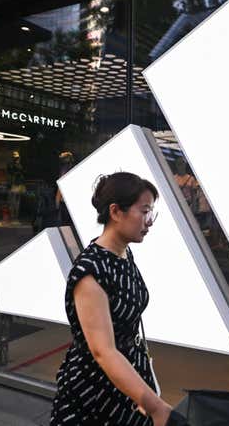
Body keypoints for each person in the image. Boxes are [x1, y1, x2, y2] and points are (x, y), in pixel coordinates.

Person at [51, 172, 173, 426]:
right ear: (116, 212)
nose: (149, 221)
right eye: (144, 211)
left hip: (128, 378)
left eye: (151, 213)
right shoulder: (91, 271)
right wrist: (156, 407)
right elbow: (103, 351)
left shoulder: (123, 254)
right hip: (96, 391)